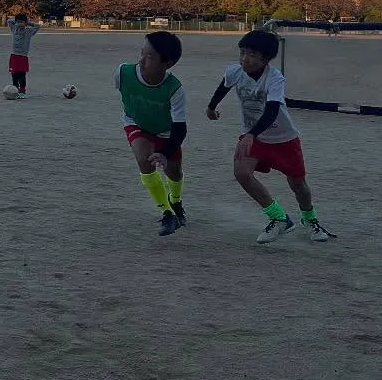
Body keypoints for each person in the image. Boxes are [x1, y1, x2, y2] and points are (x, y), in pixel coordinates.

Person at [206, 29, 333, 245]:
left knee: (298, 185)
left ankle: (310, 220)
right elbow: (224, 85)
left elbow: (272, 110)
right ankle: (279, 218)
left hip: (283, 138)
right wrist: (211, 107)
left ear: (266, 59)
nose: (245, 59)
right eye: (243, 52)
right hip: (254, 137)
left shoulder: (274, 78)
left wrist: (251, 134)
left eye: (253, 55)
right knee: (241, 172)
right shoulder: (235, 72)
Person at [115, 30, 188, 236]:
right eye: (142, 52)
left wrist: (165, 152)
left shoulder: (175, 89)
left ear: (168, 63)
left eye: (150, 56)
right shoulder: (122, 73)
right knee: (144, 161)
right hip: (136, 124)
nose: (142, 60)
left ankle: (175, 201)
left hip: (166, 132)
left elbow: (180, 128)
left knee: (174, 172)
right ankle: (166, 213)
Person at [7, 13, 41, 96]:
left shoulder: (28, 31)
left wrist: (28, 22)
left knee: (21, 74)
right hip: (14, 55)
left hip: (22, 56)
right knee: (14, 74)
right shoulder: (14, 28)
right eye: (18, 22)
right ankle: (15, 89)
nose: (20, 24)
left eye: (22, 22)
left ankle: (22, 90)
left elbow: (37, 26)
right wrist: (16, 21)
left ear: (25, 22)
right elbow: (9, 21)